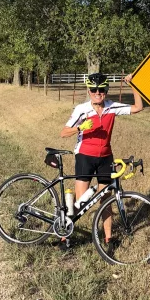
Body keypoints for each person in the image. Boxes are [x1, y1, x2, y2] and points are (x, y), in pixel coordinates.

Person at [60, 72, 143, 244]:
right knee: (81, 202)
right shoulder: (82, 109)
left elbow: (137, 107)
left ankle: (108, 238)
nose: (97, 93)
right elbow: (63, 133)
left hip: (106, 157)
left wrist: (134, 85)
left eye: (101, 89)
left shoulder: (112, 107)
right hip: (85, 156)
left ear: (106, 90)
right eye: (93, 89)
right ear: (89, 91)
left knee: (106, 200)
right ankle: (64, 232)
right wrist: (80, 127)